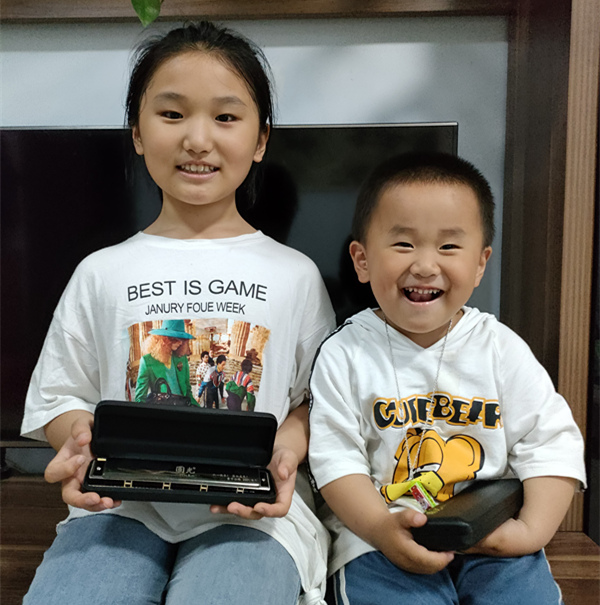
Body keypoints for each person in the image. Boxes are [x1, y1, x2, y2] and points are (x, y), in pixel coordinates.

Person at [21, 21, 335, 605]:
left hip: (250, 511)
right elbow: (61, 395)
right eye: (171, 114)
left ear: (261, 139)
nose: (197, 139)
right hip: (120, 505)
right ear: (138, 133)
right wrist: (80, 443)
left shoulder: (295, 274)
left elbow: (315, 401)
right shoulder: (100, 271)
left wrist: (287, 452)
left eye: (226, 116)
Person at [308, 152, 586, 604]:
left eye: (449, 247)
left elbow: (551, 443)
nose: (424, 265)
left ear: (480, 263)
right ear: (361, 259)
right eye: (403, 244)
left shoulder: (499, 347)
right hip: (379, 540)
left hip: (491, 534)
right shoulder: (344, 353)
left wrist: (529, 532)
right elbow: (335, 460)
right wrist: (380, 528)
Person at [134, 319, 196, 405]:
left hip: (183, 407)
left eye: (183, 339)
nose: (181, 343)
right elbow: (140, 398)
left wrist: (198, 409)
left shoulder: (182, 358)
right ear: (165, 339)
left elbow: (188, 391)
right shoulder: (147, 361)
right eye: (178, 339)